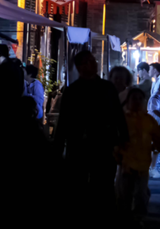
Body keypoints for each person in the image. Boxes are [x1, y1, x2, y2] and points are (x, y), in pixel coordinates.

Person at [54, 50, 128, 225]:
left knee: (104, 185)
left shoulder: (107, 88)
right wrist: (58, 147)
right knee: (79, 185)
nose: (93, 64)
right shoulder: (72, 90)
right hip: (79, 144)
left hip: (104, 143)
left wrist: (123, 138)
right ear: (80, 67)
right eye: (88, 62)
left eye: (93, 60)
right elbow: (63, 121)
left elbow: (118, 115)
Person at [116, 88, 160, 224]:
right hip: (125, 163)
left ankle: (138, 218)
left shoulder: (149, 120)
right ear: (128, 101)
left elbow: (158, 139)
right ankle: (125, 218)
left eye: (139, 99)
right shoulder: (122, 120)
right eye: (134, 98)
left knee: (140, 194)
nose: (137, 101)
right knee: (124, 193)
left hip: (143, 164)